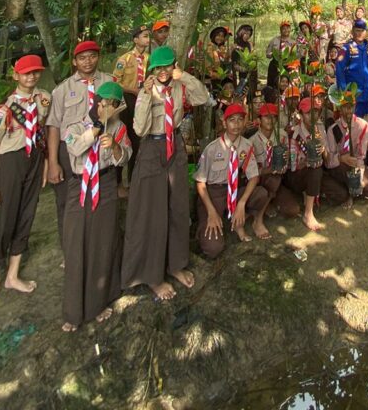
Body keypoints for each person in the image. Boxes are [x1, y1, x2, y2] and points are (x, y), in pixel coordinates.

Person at [121, 46, 209, 301]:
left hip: (175, 145)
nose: (163, 71)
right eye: (158, 67)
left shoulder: (179, 86)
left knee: (177, 207)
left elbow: (202, 98)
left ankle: (176, 264)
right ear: (152, 69)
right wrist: (146, 95)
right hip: (152, 148)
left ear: (174, 66)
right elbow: (139, 129)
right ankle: (152, 276)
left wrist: (185, 76)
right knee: (152, 212)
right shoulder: (147, 90)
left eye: (167, 66)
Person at [0, 54, 51, 323]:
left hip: (34, 159)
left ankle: (13, 276)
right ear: (16, 75)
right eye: (26, 73)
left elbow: (43, 131)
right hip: (10, 164)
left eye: (36, 72)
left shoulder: (44, 99)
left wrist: (45, 164)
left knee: (27, 215)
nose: (32, 77)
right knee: (3, 222)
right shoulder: (3, 111)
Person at [61, 80, 131, 331]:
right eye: (103, 103)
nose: (106, 107)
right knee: (76, 243)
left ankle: (99, 302)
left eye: (113, 104)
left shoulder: (119, 128)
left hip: (106, 184)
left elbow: (126, 157)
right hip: (79, 185)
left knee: (103, 241)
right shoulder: (75, 125)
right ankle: (73, 311)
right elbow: (74, 147)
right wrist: (96, 130)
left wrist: (115, 147)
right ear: (96, 103)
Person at [46, 40, 113, 245]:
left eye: (92, 56)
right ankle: (69, 247)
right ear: (74, 62)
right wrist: (53, 162)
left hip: (101, 147)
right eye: (82, 58)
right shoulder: (62, 90)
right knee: (67, 201)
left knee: (101, 198)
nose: (88, 61)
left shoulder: (110, 82)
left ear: (98, 57)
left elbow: (119, 118)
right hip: (71, 151)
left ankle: (97, 245)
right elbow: (54, 126)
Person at [194, 104, 271, 258]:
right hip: (214, 194)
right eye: (232, 120)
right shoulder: (212, 149)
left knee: (261, 194)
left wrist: (241, 203)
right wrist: (211, 212)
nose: (236, 124)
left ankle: (238, 220)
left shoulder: (247, 146)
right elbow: (200, 183)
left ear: (244, 122)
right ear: (224, 123)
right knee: (213, 248)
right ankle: (214, 221)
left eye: (240, 120)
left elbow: (254, 177)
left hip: (235, 190)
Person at [277, 96, 328, 231]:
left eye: (315, 112)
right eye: (308, 113)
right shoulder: (294, 134)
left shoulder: (320, 128)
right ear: (301, 114)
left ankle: (310, 194)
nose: (312, 116)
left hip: (313, 172)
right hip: (296, 175)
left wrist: (322, 150)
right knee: (315, 168)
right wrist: (309, 158)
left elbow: (328, 159)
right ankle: (308, 213)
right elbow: (293, 167)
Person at [322, 90, 368, 205]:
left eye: (351, 106)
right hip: (339, 166)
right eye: (345, 107)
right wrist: (341, 159)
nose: (349, 110)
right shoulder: (333, 129)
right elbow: (329, 161)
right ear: (340, 108)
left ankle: (352, 188)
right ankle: (349, 192)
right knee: (341, 172)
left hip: (356, 165)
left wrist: (359, 175)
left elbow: (361, 156)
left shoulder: (362, 125)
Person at [113, 23, 150, 192]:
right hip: (128, 99)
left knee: (137, 139)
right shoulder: (125, 59)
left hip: (142, 99)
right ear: (135, 40)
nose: (147, 39)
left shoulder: (149, 58)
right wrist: (132, 90)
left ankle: (133, 180)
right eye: (144, 36)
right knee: (123, 136)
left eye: (148, 36)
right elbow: (116, 81)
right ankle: (118, 182)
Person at [334, 19, 368, 117]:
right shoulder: (346, 48)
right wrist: (344, 93)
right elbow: (339, 70)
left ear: (366, 32)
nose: (360, 33)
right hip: (353, 98)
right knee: (353, 124)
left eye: (362, 31)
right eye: (357, 30)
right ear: (353, 31)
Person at [250, 102, 286, 215]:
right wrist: (270, 169)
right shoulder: (251, 142)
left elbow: (287, 161)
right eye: (266, 117)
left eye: (273, 117)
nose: (270, 120)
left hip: (279, 180)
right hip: (261, 182)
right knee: (272, 180)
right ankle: (263, 208)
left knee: (292, 210)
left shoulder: (282, 136)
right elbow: (252, 172)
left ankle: (272, 200)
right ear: (259, 120)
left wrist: (285, 162)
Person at [266, 21, 298, 89]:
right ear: (280, 30)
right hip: (276, 64)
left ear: (290, 29)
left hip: (288, 65)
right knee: (272, 84)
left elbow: (296, 56)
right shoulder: (274, 40)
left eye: (287, 28)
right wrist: (274, 54)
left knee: (288, 84)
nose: (286, 30)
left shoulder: (293, 42)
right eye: (284, 28)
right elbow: (267, 54)